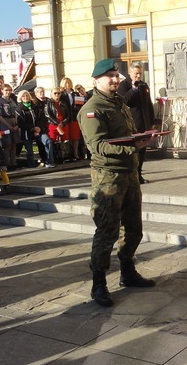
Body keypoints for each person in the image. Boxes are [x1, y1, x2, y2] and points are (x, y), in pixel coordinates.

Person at [77, 58, 160, 307]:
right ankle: (98, 283)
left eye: (116, 75)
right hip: (108, 178)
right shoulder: (92, 109)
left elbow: (126, 136)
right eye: (109, 76)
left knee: (133, 228)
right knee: (107, 231)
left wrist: (140, 139)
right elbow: (98, 146)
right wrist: (133, 148)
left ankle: (127, 271)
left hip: (129, 174)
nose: (115, 79)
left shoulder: (119, 103)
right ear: (96, 81)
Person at [117, 62, 155, 183]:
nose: (138, 76)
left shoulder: (144, 85)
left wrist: (152, 121)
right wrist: (133, 89)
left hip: (144, 123)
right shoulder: (123, 85)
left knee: (142, 151)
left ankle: (139, 174)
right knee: (134, 151)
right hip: (131, 123)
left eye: (140, 74)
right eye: (136, 74)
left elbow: (148, 104)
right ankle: (132, 176)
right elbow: (123, 101)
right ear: (130, 73)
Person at [0, 84, 20, 169]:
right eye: (6, 90)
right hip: (5, 123)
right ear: (2, 91)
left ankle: (13, 162)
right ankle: (6, 163)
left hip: (14, 122)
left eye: (9, 90)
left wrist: (16, 124)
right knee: (7, 144)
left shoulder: (12, 100)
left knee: (14, 144)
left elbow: (16, 113)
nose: (8, 92)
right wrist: (8, 126)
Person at [59, 77, 83, 161]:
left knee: (75, 137)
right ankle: (68, 155)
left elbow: (80, 105)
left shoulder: (75, 94)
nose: (67, 84)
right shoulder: (61, 94)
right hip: (66, 118)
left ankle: (76, 154)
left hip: (74, 117)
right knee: (67, 137)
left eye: (69, 82)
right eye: (66, 83)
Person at [44, 87, 70, 166]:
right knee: (54, 140)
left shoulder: (63, 103)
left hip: (63, 124)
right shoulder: (48, 103)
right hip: (53, 124)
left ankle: (64, 157)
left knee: (64, 140)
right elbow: (48, 115)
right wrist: (57, 123)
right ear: (51, 94)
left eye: (58, 93)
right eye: (55, 93)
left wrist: (64, 122)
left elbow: (68, 114)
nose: (57, 95)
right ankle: (55, 158)